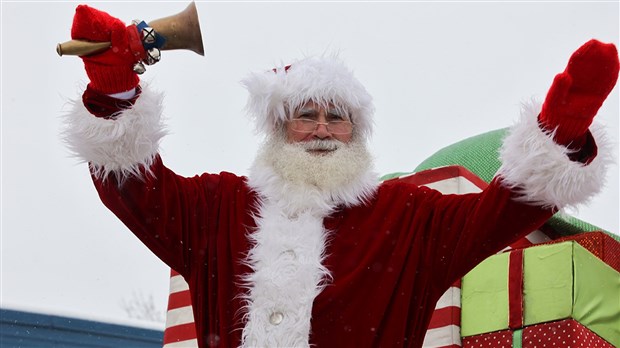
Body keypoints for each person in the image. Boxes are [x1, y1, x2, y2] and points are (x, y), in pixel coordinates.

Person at [63, 5, 618, 348]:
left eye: (338, 117)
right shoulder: (220, 208)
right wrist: (115, 92)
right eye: (306, 115)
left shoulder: (409, 219)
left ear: (358, 131)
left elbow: (501, 211)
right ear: (280, 128)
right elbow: (133, 186)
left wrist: (559, 135)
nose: (323, 128)